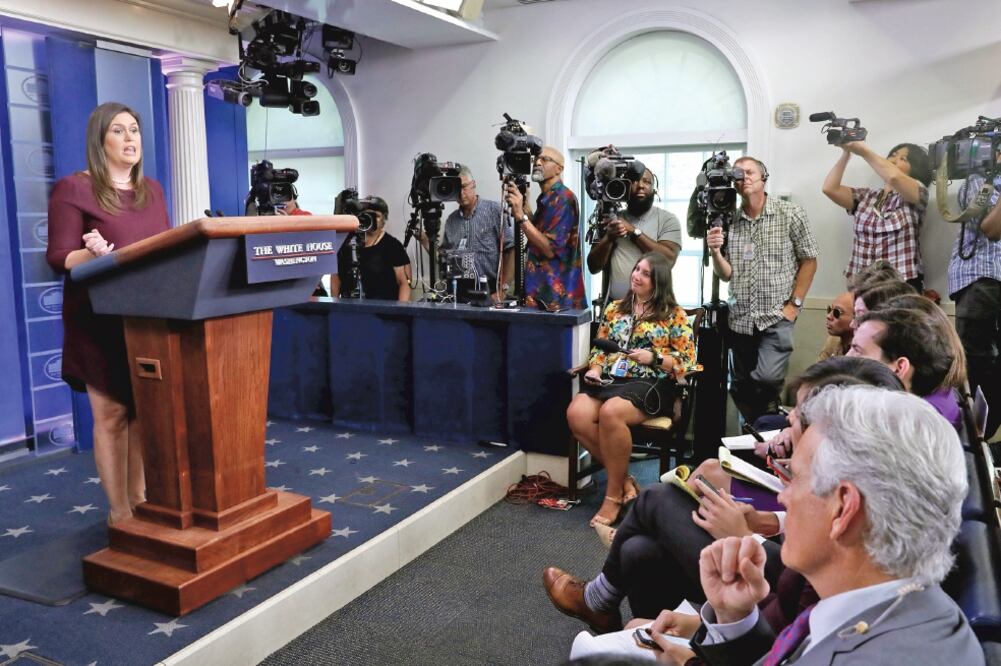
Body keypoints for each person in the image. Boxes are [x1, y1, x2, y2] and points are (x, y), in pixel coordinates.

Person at [544, 358, 903, 636]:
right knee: (639, 551)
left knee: (656, 500)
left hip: (768, 574)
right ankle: (636, 624)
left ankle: (602, 600)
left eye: (797, 419)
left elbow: (784, 631)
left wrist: (743, 540)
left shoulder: (850, 573)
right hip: (768, 574)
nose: (790, 421)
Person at [682, 386, 982, 665]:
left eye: (796, 478)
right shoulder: (909, 609)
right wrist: (734, 618)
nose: (784, 497)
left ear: (843, 508)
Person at [45, 102, 171, 525]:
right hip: (96, 318)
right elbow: (59, 257)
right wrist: (92, 253)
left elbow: (164, 248)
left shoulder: (151, 190)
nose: (130, 138)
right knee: (113, 413)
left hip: (144, 315)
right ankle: (119, 512)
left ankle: (140, 497)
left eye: (134, 130)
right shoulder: (73, 188)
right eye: (118, 130)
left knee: (141, 412)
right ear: (101, 140)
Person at [566, 253, 697, 527]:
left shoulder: (674, 314)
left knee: (612, 413)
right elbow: (601, 346)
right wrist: (595, 369)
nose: (636, 275)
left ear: (658, 281)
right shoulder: (615, 308)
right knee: (576, 413)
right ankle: (625, 482)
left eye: (645, 273)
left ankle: (612, 497)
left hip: (653, 383)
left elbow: (688, 362)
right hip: (614, 379)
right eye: (636, 269)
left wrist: (656, 358)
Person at [706, 156, 819, 420]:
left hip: (776, 317)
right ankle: (759, 431)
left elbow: (810, 261)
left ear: (763, 176)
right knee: (739, 387)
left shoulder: (790, 213)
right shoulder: (728, 219)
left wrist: (795, 305)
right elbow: (726, 274)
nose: (744, 177)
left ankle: (768, 422)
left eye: (750, 171)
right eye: (739, 173)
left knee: (767, 379)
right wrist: (715, 252)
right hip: (741, 320)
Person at [822, 141, 933, 291]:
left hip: (901, 283)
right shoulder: (867, 196)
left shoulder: (917, 193)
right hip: (862, 283)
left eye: (903, 159)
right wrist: (846, 153)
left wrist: (863, 150)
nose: (894, 160)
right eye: (893, 155)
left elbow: (894, 177)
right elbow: (830, 188)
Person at [950, 170, 1001, 438]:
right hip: (984, 280)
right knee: (976, 367)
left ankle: (982, 443)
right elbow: (992, 228)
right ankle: (966, 443)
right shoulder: (979, 181)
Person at [504, 146, 585, 310]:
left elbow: (549, 249)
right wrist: (527, 211)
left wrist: (521, 217)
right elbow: (542, 236)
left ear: (559, 169)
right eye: (535, 159)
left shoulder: (563, 199)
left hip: (556, 300)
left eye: (545, 159)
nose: (537, 163)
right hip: (540, 293)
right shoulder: (546, 198)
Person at [586, 168, 682, 300]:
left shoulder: (668, 219)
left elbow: (667, 261)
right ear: (625, 187)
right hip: (616, 308)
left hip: (654, 308)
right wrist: (609, 237)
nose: (641, 185)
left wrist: (633, 231)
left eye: (647, 181)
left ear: (654, 190)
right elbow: (593, 267)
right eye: (634, 182)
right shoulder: (612, 219)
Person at [436, 165, 513, 302]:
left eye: (464, 186)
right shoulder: (451, 220)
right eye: (456, 189)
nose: (461, 193)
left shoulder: (494, 211)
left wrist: (503, 289)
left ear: (473, 184)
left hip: (489, 288)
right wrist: (425, 240)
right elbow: (444, 257)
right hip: (457, 290)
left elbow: (511, 250)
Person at [330, 196, 412, 302]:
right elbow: (335, 278)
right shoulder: (346, 243)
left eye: (376, 216)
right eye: (367, 215)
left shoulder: (392, 245)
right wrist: (334, 306)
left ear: (384, 220)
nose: (371, 219)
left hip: (382, 310)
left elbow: (403, 283)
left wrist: (401, 310)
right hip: (348, 308)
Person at [816, 292, 854, 360]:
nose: (828, 316)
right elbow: (818, 368)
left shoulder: (869, 351)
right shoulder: (833, 340)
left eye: (837, 312)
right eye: (829, 310)